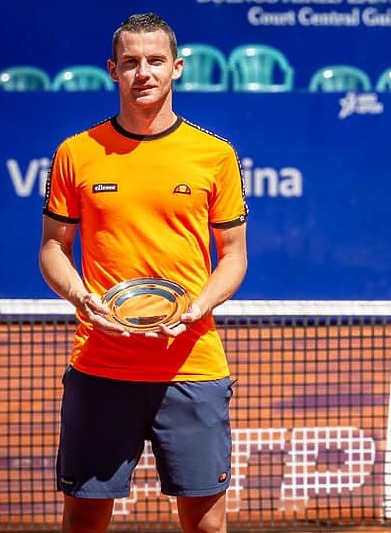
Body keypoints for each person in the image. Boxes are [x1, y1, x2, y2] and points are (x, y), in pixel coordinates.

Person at [39, 12, 248, 533]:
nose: (143, 73)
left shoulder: (215, 155)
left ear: (176, 68)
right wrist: (81, 298)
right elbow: (52, 248)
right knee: (84, 520)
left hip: (192, 365)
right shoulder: (76, 153)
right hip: (101, 365)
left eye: (155, 61)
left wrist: (199, 305)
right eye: (130, 62)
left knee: (206, 526)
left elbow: (235, 256)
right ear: (113, 69)